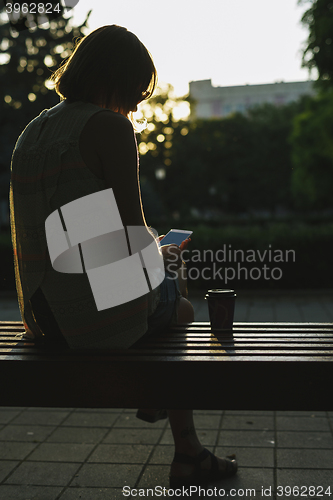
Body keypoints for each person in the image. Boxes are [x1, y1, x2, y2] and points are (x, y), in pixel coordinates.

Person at [9, 24, 237, 486]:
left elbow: (75, 238)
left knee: (165, 276)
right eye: (135, 90)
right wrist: (166, 253)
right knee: (182, 298)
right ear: (110, 78)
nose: (136, 104)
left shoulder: (32, 133)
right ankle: (186, 449)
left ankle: (176, 431)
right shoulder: (110, 127)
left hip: (44, 313)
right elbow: (133, 233)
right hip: (91, 323)